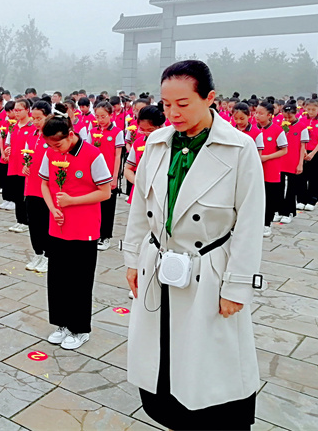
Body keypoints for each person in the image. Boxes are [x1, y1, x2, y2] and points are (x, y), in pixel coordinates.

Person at [123, 60, 263, 431]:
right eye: (166, 105)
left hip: (208, 271)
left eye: (183, 104)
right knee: (161, 357)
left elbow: (249, 223)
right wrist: (133, 258)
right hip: (158, 263)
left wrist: (237, 286)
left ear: (209, 98)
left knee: (209, 367)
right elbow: (140, 205)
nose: (173, 113)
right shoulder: (156, 142)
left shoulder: (238, 148)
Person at [39, 109, 111, 350]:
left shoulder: (93, 155)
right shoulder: (50, 153)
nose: (54, 149)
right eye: (50, 145)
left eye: (58, 144)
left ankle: (80, 328)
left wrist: (71, 201)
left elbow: (105, 192)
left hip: (84, 227)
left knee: (79, 279)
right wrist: (53, 208)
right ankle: (62, 324)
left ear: (70, 135)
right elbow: (44, 183)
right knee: (58, 278)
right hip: (58, 225)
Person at [88, 100, 124, 251]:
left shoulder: (117, 132)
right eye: (97, 116)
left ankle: (106, 237)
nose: (100, 120)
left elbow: (117, 156)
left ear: (110, 115)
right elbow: (88, 153)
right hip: (94, 175)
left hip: (109, 175)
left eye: (103, 116)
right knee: (94, 206)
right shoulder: (92, 131)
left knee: (108, 207)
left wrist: (115, 176)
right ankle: (95, 233)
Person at [23, 100, 52, 273]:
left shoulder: (53, 137)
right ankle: (38, 253)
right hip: (31, 186)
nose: (35, 122)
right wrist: (25, 166)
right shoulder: (31, 135)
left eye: (39, 118)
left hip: (46, 187)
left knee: (45, 222)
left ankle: (48, 255)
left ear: (47, 117)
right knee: (33, 222)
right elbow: (27, 155)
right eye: (33, 118)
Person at [255, 101, 287, 237]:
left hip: (270, 168)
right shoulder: (253, 129)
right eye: (256, 112)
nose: (257, 116)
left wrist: (267, 157)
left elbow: (284, 150)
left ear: (269, 115)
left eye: (260, 113)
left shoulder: (277, 130)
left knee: (269, 197)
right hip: (255, 169)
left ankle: (267, 224)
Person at [3, 99, 35, 233]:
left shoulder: (32, 127)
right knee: (16, 194)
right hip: (14, 165)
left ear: (27, 110)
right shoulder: (14, 127)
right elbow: (8, 144)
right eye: (14, 110)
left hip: (25, 167)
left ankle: (26, 221)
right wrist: (7, 150)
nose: (15, 113)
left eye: (18, 110)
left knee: (24, 194)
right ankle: (19, 220)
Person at [277, 102, 307, 224]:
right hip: (281, 160)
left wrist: (300, 163)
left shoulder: (302, 127)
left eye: (290, 117)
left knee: (291, 188)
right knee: (279, 187)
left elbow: (302, 147)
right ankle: (279, 210)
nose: (288, 119)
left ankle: (289, 211)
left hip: (293, 161)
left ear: (296, 114)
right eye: (285, 117)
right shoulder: (280, 125)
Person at [297, 98, 318, 211]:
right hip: (303, 151)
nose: (310, 112)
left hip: (316, 152)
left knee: (315, 177)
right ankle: (301, 199)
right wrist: (304, 151)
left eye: (313, 109)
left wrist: (313, 152)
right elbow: (300, 137)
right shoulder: (301, 119)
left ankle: (312, 199)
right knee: (302, 176)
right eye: (308, 109)